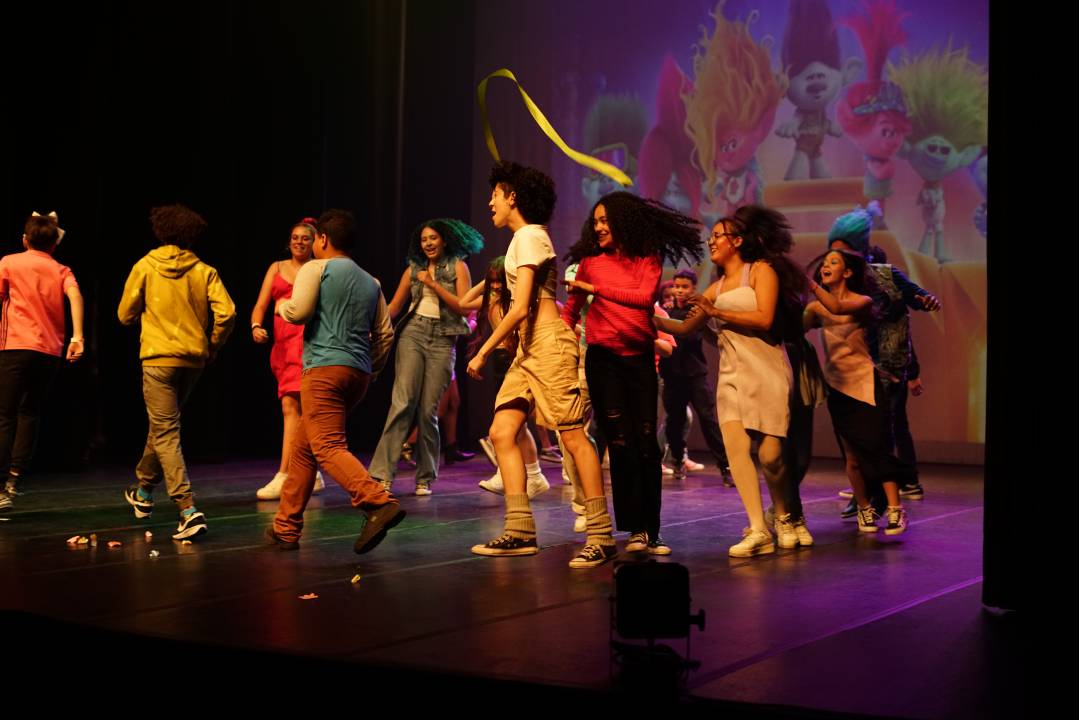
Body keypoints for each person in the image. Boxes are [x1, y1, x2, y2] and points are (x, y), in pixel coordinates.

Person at [466, 161, 615, 568]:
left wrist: (482, 351)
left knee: (572, 436)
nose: (490, 203)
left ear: (512, 196)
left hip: (548, 345)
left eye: (495, 195)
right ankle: (519, 531)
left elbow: (519, 308)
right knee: (502, 431)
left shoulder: (530, 236)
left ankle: (601, 534)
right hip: (528, 349)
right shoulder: (522, 239)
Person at [655, 206, 806, 557]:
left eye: (717, 236)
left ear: (737, 241)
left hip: (767, 370)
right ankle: (758, 529)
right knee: (737, 451)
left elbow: (764, 318)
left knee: (770, 457)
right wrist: (648, 318)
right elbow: (684, 327)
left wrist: (716, 312)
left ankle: (783, 514)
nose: (711, 242)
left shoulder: (761, 271)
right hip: (731, 374)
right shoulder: (715, 288)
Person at [563, 191, 702, 555]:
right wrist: (558, 340)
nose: (599, 227)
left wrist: (595, 289)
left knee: (645, 444)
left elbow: (642, 299)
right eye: (595, 221)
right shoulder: (590, 262)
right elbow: (571, 311)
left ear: (623, 221)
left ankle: (650, 529)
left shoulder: (647, 258)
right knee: (620, 444)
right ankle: (633, 528)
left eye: (605, 220)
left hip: (638, 359)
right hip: (602, 361)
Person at [267, 209, 402, 554]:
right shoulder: (371, 281)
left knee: (327, 446)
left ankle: (378, 502)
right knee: (304, 449)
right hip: (357, 374)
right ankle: (285, 528)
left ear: (323, 239)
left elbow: (299, 312)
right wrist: (370, 368)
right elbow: (385, 334)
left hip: (324, 371)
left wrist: (282, 306)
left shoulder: (316, 268)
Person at [118, 204, 236, 540]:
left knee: (166, 431)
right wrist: (212, 345)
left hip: (158, 359)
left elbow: (124, 315)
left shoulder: (145, 266)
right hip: (192, 361)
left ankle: (187, 510)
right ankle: (143, 491)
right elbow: (227, 313)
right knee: (163, 427)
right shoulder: (204, 271)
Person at [804, 248, 916, 535]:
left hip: (864, 381)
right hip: (837, 385)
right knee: (852, 456)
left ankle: (895, 509)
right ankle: (864, 507)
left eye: (833, 262)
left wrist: (811, 285)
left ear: (848, 272)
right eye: (824, 262)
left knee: (878, 445)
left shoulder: (861, 300)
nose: (826, 266)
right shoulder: (816, 308)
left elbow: (837, 308)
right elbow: (795, 329)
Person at [368, 219, 482, 496]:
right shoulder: (413, 269)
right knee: (402, 402)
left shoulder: (458, 266)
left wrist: (433, 284)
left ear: (444, 240)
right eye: (423, 239)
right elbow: (395, 307)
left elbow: (464, 308)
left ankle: (425, 477)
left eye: (433, 238)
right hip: (414, 334)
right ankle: (382, 475)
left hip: (444, 339)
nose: (428, 243)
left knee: (429, 411)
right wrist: (374, 327)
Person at [0, 212, 84, 510]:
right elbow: (75, 296)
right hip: (48, 352)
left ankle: (0, 487)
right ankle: (14, 479)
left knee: (5, 416)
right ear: (55, 243)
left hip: (14, 347)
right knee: (29, 412)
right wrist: (77, 337)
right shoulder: (61, 269)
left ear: (25, 240)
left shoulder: (9, 262)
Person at [250, 218, 325, 500]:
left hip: (308, 343)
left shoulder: (318, 268)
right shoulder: (277, 268)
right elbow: (260, 305)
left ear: (314, 242)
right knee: (298, 411)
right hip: (283, 347)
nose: (299, 242)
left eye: (305, 238)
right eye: (295, 237)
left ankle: (286, 474)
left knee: (293, 408)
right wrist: (256, 326)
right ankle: (310, 472)